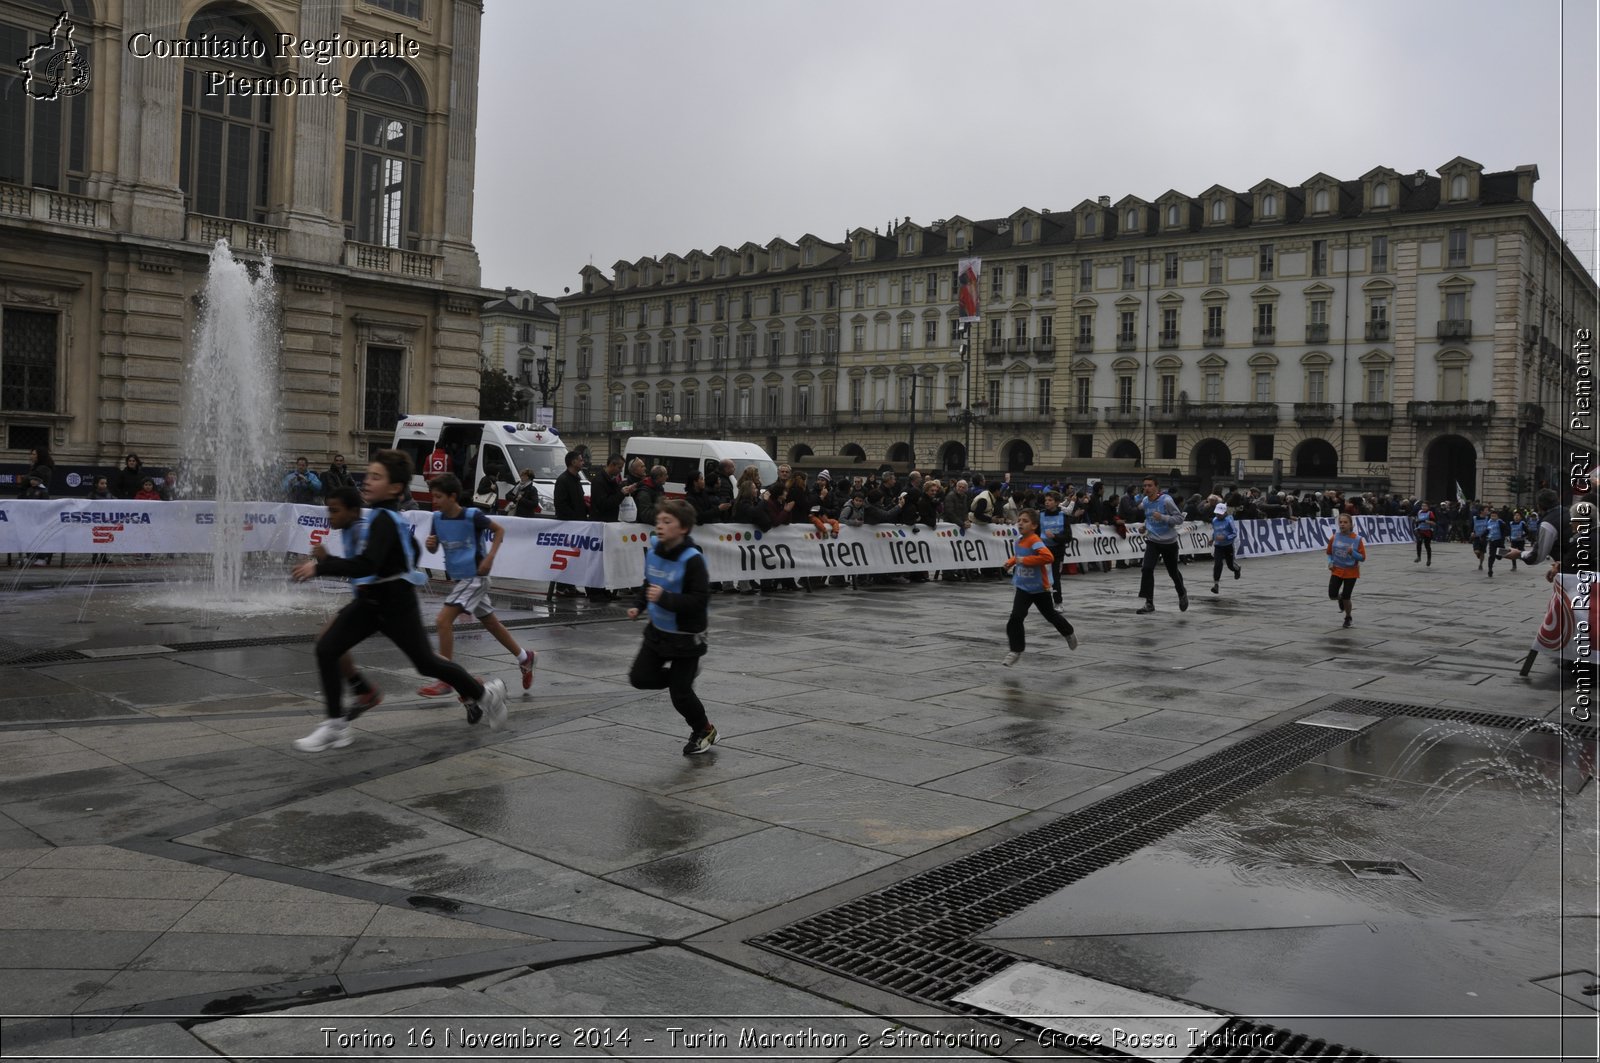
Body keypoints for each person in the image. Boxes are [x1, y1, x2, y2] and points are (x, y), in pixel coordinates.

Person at [289, 449, 506, 753]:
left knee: (427, 663)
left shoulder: (385, 520)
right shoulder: (380, 517)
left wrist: (320, 566)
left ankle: (485, 694)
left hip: (395, 604)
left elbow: (368, 565)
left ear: (394, 488)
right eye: (368, 474)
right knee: (327, 648)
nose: (367, 481)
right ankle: (336, 726)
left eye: (376, 477)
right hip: (370, 601)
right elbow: (407, 556)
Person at [416, 472, 537, 698]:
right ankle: (524, 657)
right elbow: (434, 549)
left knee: (442, 620)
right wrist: (431, 544)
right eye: (434, 496)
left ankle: (445, 679)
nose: (435, 501)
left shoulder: (472, 516)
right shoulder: (437, 519)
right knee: (491, 623)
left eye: (439, 496)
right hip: (462, 578)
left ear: (453, 496)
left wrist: (490, 558)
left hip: (475, 577)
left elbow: (499, 530)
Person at [627, 499, 717, 755]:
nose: (660, 526)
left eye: (668, 522)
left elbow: (700, 600)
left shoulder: (693, 560)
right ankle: (682, 680)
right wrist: (639, 605)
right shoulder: (654, 550)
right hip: (657, 632)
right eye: (659, 521)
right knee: (639, 678)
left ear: (684, 528)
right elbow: (649, 583)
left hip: (687, 637)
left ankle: (704, 729)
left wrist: (664, 598)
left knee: (680, 695)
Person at [1000, 508, 1078, 666]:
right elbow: (1020, 555)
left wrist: (1024, 561)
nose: (1020, 523)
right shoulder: (1020, 540)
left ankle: (1068, 632)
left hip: (1039, 588)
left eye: (1025, 521)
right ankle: (1015, 650)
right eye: (1019, 520)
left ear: (1034, 526)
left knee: (1051, 615)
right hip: (1023, 587)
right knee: (1016, 617)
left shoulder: (1035, 540)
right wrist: (1010, 562)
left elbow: (1047, 557)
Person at [1136, 475, 1188, 614]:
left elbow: (1179, 519)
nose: (1146, 488)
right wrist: (1144, 526)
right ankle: (1149, 602)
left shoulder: (1166, 500)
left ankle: (1182, 592)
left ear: (1156, 487)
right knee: (1146, 569)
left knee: (1173, 572)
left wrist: (1163, 517)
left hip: (1169, 542)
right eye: (1145, 485)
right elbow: (1148, 517)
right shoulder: (1146, 501)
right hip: (1153, 541)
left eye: (1149, 485)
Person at [1326, 511, 1366, 629]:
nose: (1342, 524)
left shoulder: (1357, 539)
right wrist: (1330, 562)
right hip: (1337, 570)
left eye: (1345, 522)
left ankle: (1348, 617)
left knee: (1347, 597)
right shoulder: (1334, 537)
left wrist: (1352, 553)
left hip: (1351, 572)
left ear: (1351, 525)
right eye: (1340, 522)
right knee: (1332, 595)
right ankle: (1339, 598)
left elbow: (1362, 558)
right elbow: (1329, 553)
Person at [1038, 491, 1070, 605]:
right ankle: (1045, 603)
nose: (1047, 502)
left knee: (1055, 578)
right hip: (1043, 550)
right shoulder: (1040, 515)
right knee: (1042, 577)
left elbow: (1068, 536)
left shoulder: (1063, 516)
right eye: (1046, 500)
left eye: (1050, 500)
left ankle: (1058, 602)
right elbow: (1036, 533)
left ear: (1057, 503)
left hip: (1057, 551)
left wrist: (1055, 537)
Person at [1210, 501, 1242, 593]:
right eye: (1216, 513)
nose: (1218, 515)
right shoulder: (1214, 520)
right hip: (1218, 546)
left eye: (1220, 514)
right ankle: (1216, 584)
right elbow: (1215, 531)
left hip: (1228, 546)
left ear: (1224, 513)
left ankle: (1237, 568)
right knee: (1217, 564)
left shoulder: (1229, 520)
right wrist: (1212, 539)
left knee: (1230, 565)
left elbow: (1234, 533)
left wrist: (1225, 537)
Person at [589, 454, 624, 522]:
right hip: (601, 523)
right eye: (619, 467)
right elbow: (604, 504)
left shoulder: (611, 479)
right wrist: (621, 493)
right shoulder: (599, 481)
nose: (621, 470)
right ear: (612, 465)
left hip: (608, 521)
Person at [1413, 501, 1435, 565]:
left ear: (1428, 507)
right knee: (1419, 541)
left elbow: (1433, 523)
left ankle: (1429, 559)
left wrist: (1425, 521)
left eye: (1425, 506)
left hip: (1428, 530)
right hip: (1420, 529)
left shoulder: (1430, 513)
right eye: (1422, 506)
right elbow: (1417, 519)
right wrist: (1416, 521)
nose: (1423, 507)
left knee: (1427, 545)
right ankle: (1418, 557)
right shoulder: (1419, 512)